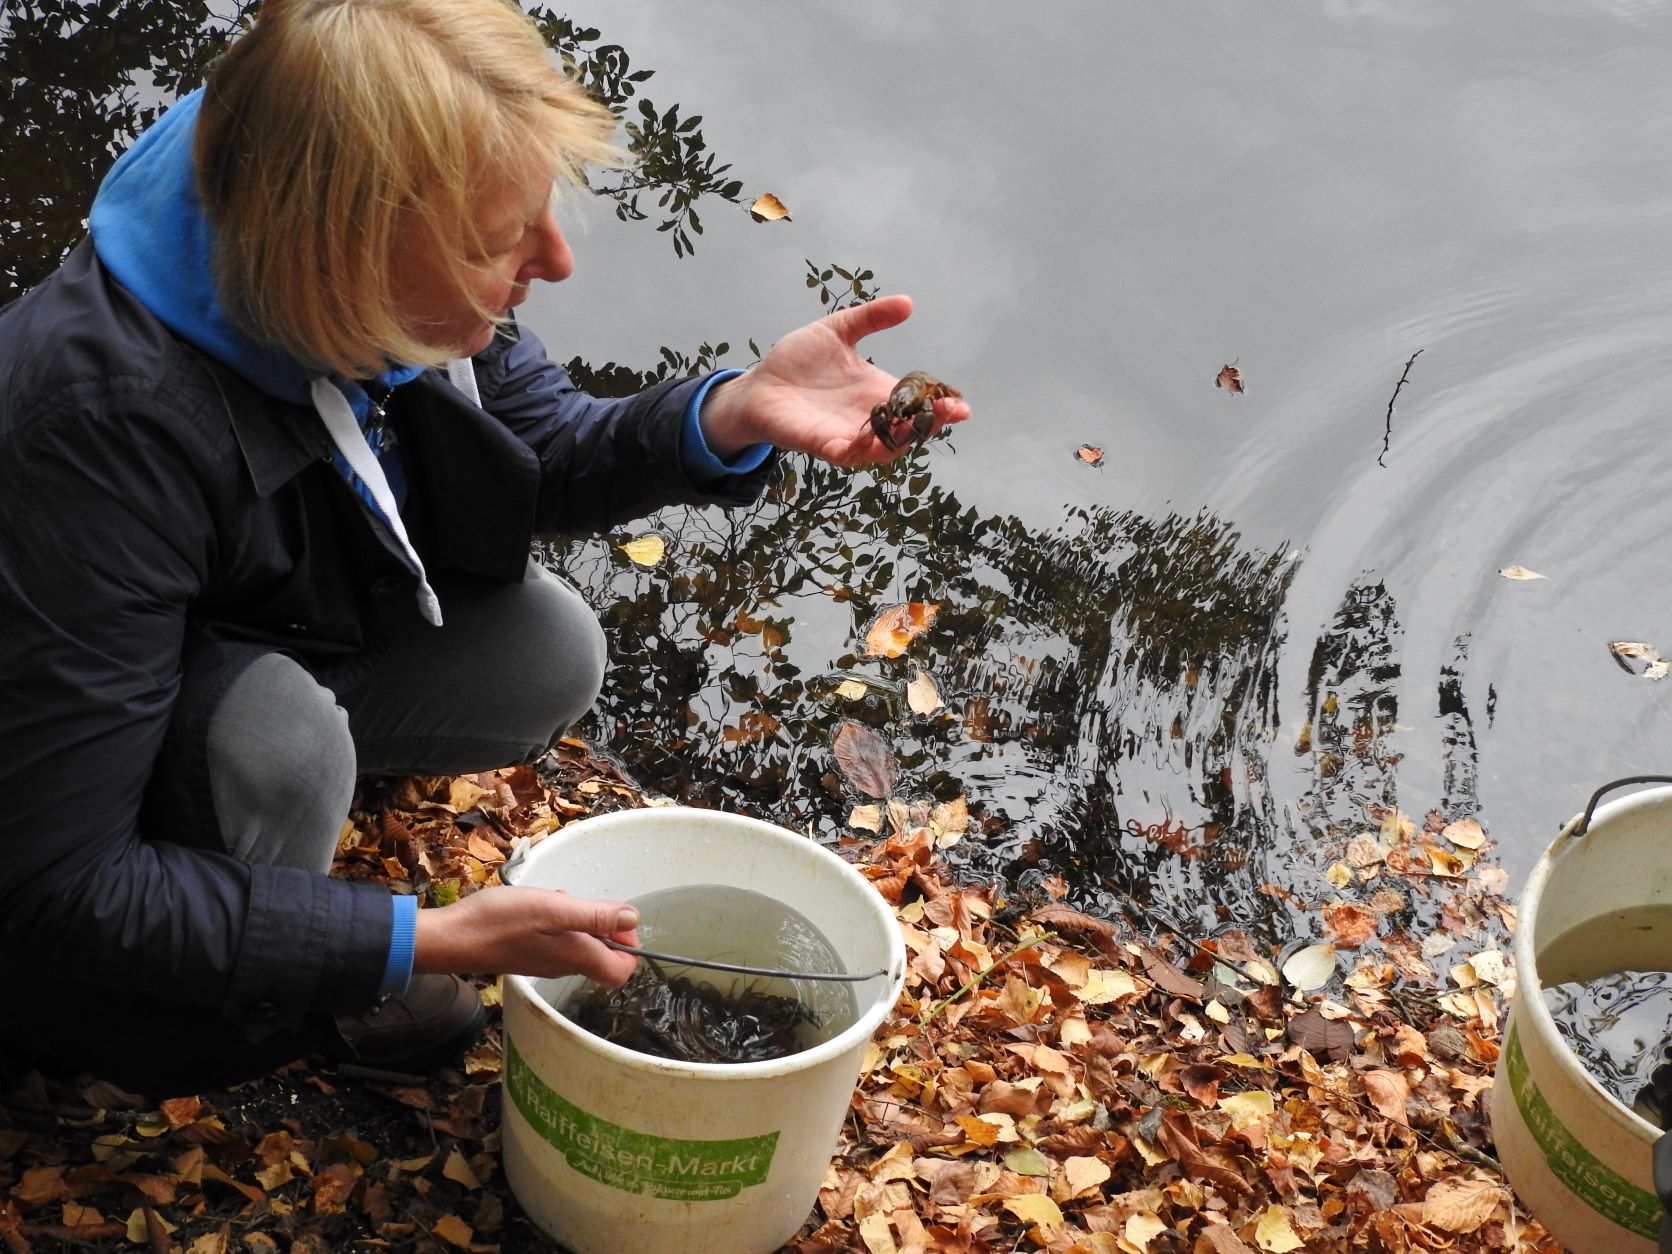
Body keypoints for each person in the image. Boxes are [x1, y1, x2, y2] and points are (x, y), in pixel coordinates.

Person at [0, 0, 969, 1097]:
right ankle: (221, 983)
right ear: (343, 251)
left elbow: (540, 451)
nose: (551, 262)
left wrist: (734, 410)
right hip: (65, 803)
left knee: (545, 650)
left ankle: (270, 812)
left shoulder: (370, 224)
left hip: (242, 614)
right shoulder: (96, 428)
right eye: (502, 239)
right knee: (280, 751)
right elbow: (55, 892)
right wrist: (421, 939)